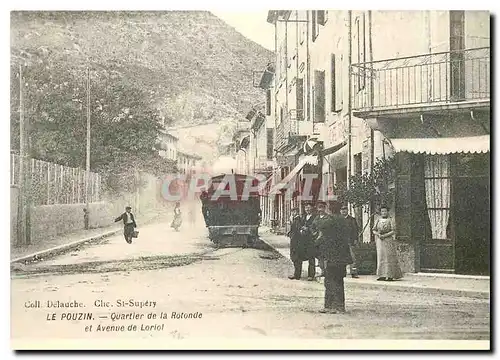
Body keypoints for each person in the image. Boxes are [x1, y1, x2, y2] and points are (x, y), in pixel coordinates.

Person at [315, 211, 353, 314]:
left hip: (333, 260)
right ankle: (337, 306)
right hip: (340, 260)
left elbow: (318, 243)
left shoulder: (329, 231)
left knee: (330, 282)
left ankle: (331, 306)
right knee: (338, 281)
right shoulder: (342, 224)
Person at [372, 205, 403, 281]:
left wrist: (385, 235)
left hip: (388, 240)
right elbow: (374, 230)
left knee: (389, 257)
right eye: (382, 211)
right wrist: (378, 234)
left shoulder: (391, 220)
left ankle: (390, 275)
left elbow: (394, 231)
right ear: (380, 212)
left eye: (385, 211)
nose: (384, 213)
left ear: (387, 212)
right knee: (381, 257)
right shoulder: (378, 220)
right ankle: (382, 275)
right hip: (380, 241)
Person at [287, 208, 315, 280]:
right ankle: (297, 274)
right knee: (296, 257)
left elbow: (300, 228)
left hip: (302, 240)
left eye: (295, 211)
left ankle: (305, 275)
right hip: (296, 240)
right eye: (292, 211)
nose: (293, 213)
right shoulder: (300, 217)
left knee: (303, 258)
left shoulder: (299, 219)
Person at [295, 203, 317, 281]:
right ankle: (297, 274)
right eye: (306, 208)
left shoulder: (315, 217)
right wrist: (301, 229)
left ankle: (311, 275)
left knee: (311, 257)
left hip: (310, 240)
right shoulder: (303, 217)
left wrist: (307, 229)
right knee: (299, 257)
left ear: (312, 208)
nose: (307, 209)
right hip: (302, 240)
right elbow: (300, 225)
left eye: (309, 207)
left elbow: (315, 227)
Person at [340, 204, 360, 278]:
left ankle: (354, 272)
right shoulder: (338, 220)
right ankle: (342, 272)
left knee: (352, 257)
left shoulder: (352, 219)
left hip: (350, 241)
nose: (343, 211)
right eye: (342, 210)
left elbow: (355, 230)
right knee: (341, 257)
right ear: (340, 211)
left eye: (345, 209)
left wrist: (355, 239)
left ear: (347, 210)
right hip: (340, 242)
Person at [312, 201, 330, 277]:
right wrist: (314, 233)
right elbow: (312, 227)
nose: (320, 210)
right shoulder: (316, 218)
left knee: (326, 256)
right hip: (318, 241)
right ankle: (323, 271)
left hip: (326, 240)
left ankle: (327, 272)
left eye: (322, 208)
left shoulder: (328, 217)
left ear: (325, 208)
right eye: (319, 208)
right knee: (320, 256)